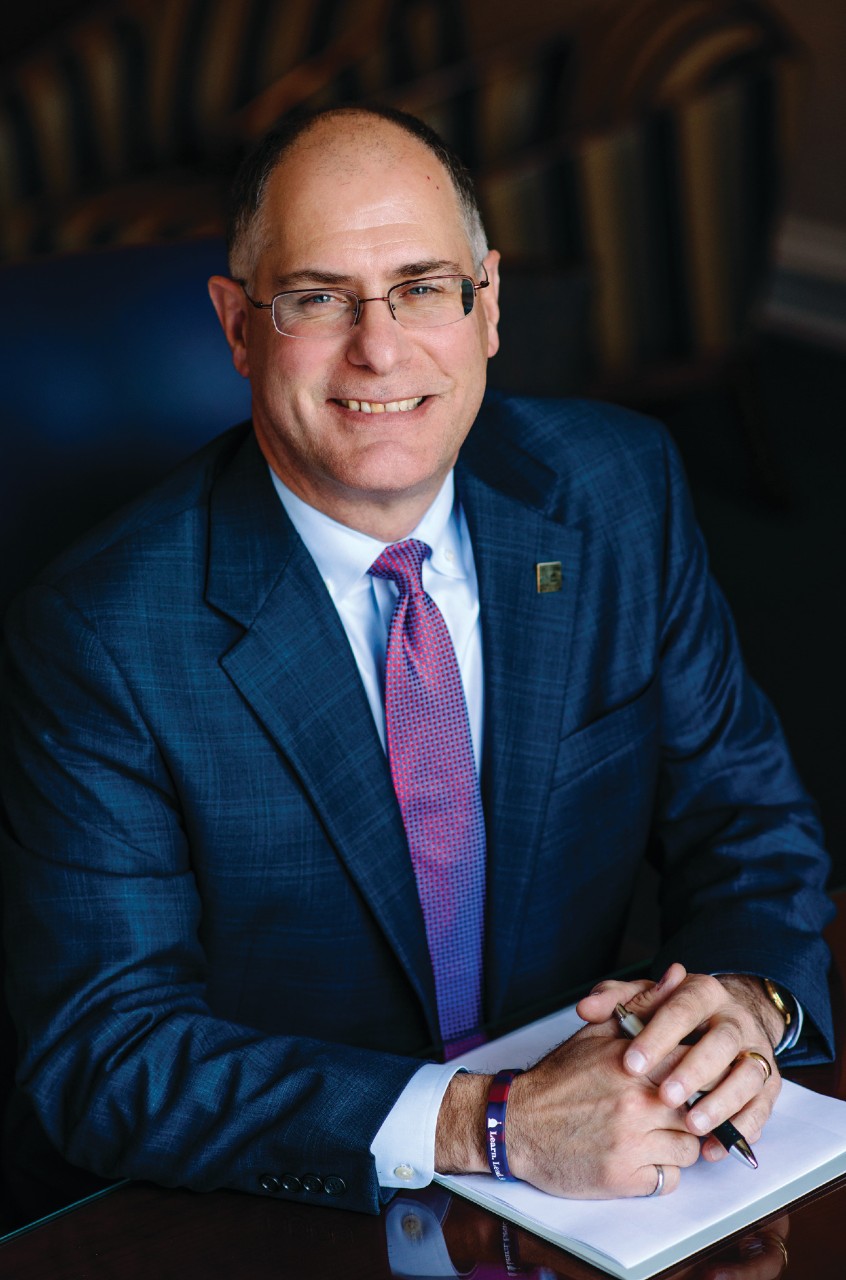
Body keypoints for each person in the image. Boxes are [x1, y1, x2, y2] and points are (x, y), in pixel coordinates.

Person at [0, 105, 834, 1224]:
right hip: (277, 1201)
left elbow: (746, 813)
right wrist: (486, 1120)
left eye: (423, 286)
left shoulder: (617, 491)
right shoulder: (101, 636)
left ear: (488, 304)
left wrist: (747, 996)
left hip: (609, 1163)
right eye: (316, 297)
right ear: (238, 327)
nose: (379, 349)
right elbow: (109, 1051)